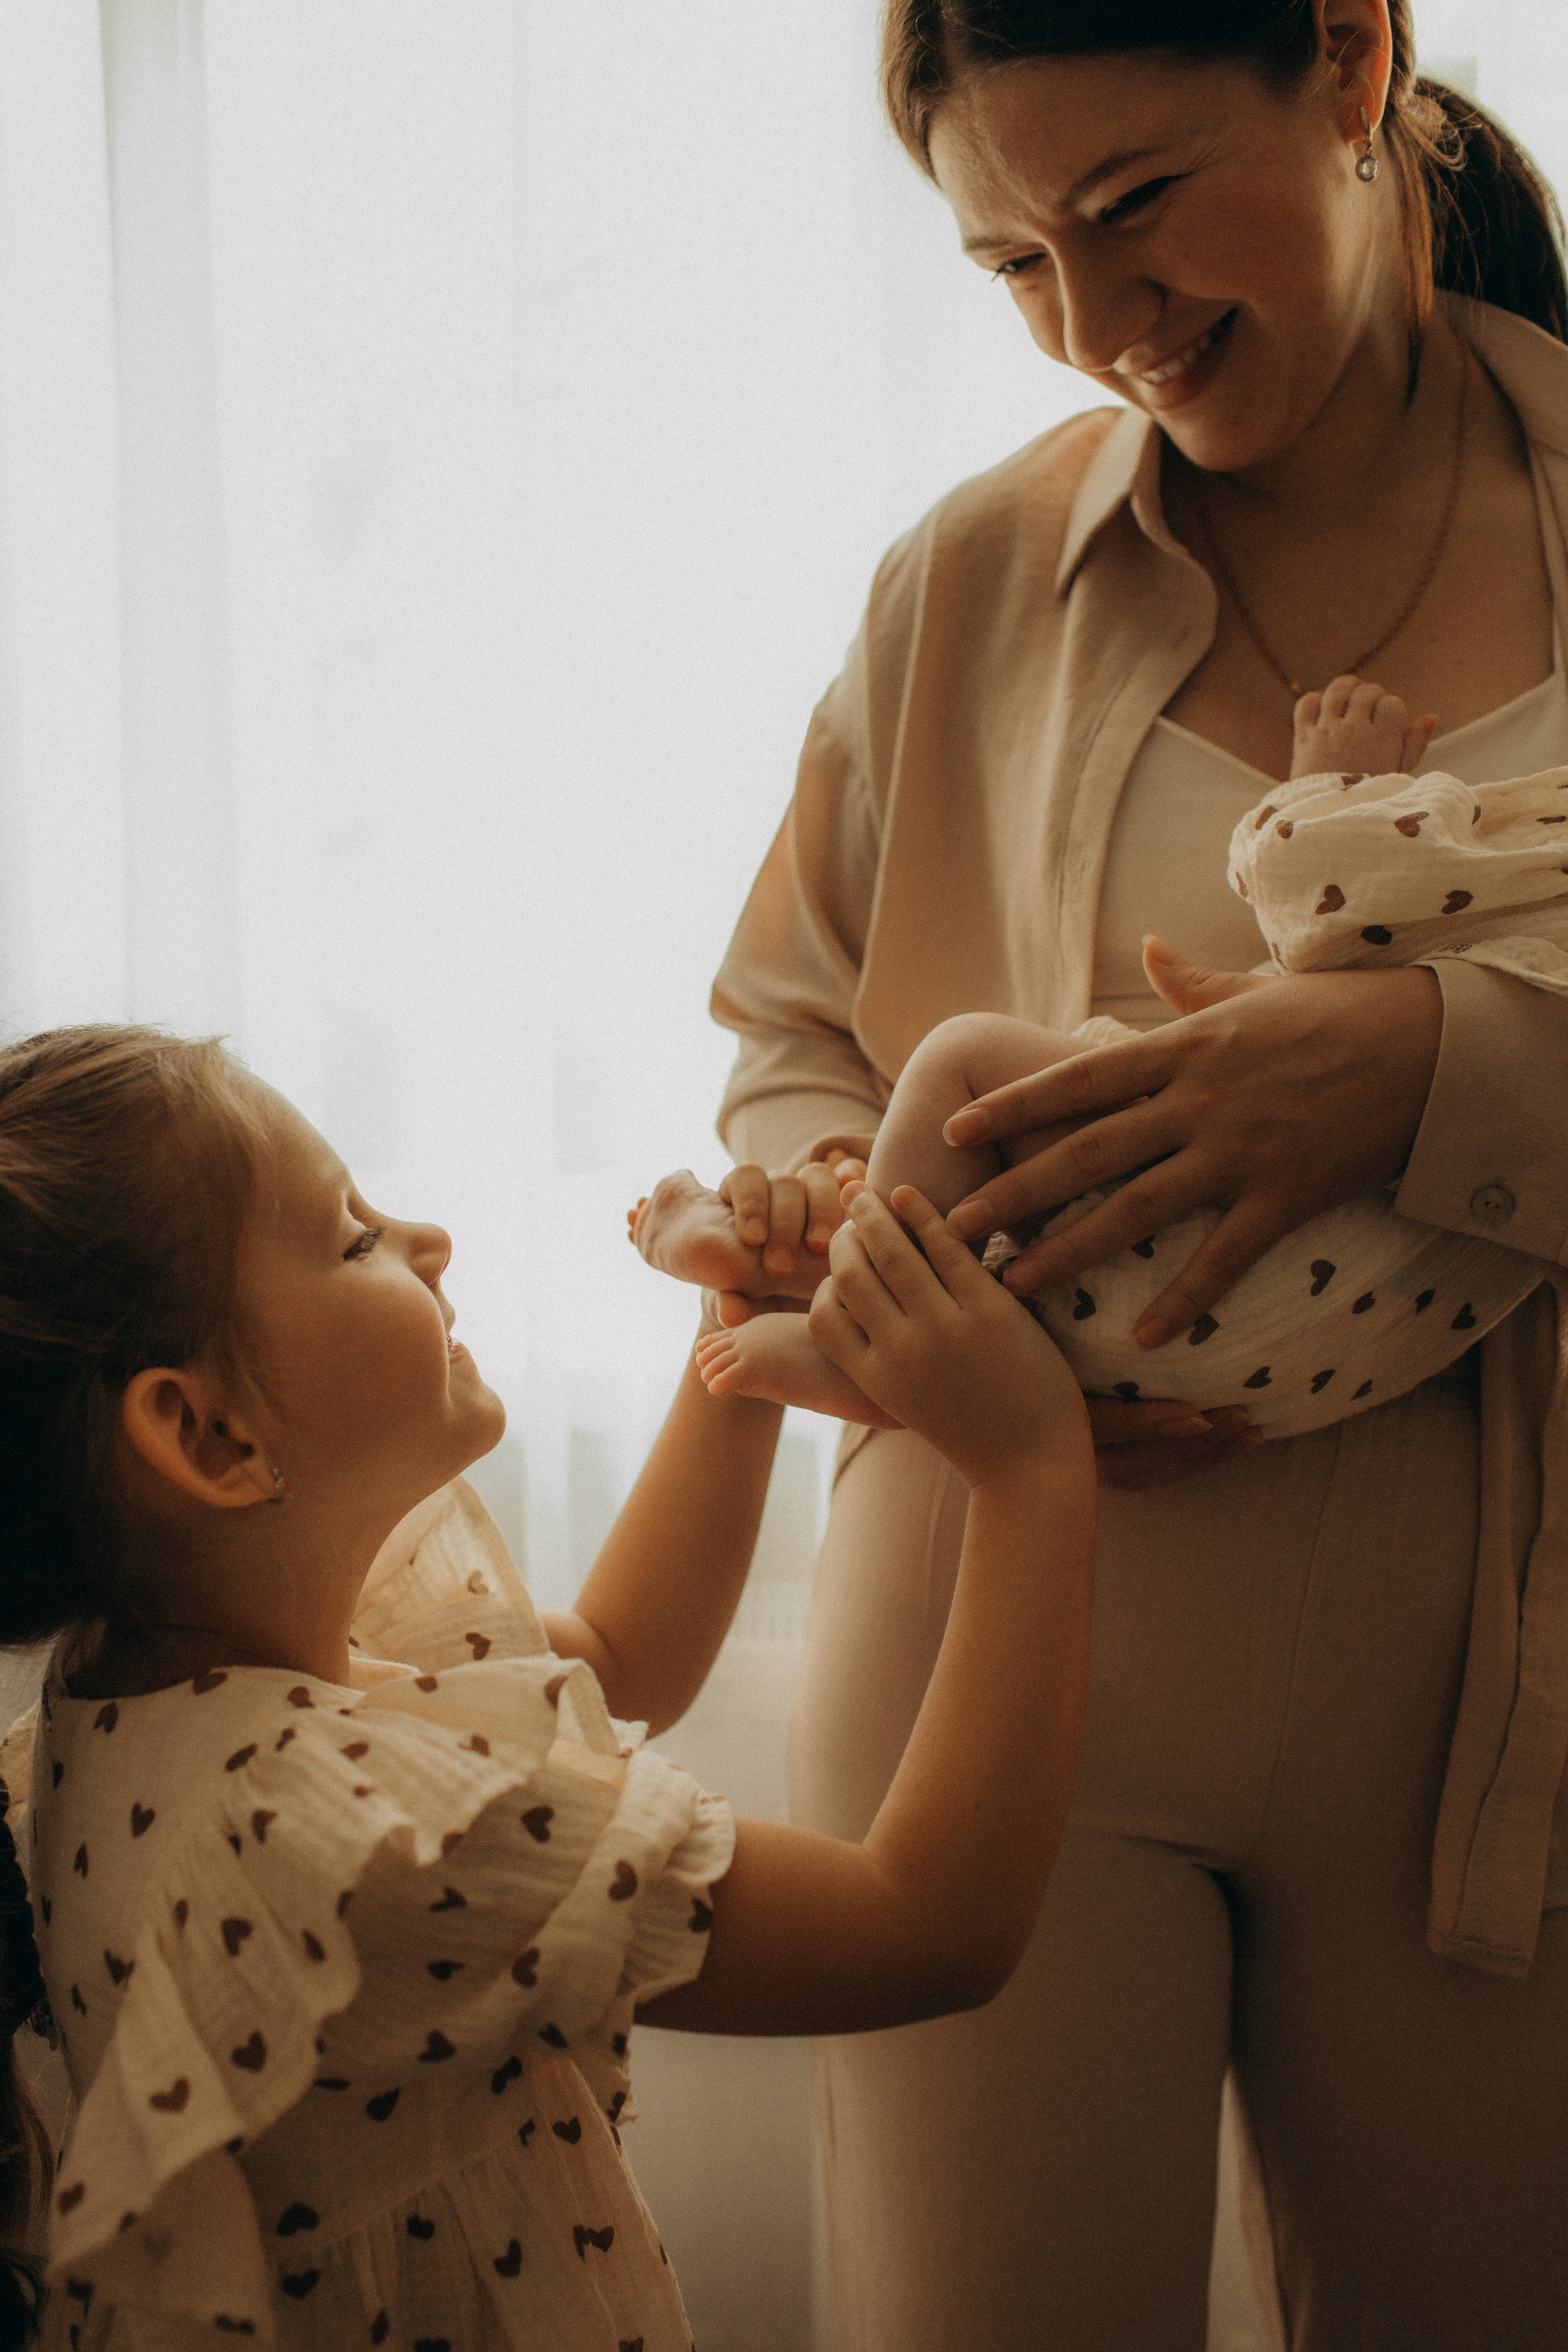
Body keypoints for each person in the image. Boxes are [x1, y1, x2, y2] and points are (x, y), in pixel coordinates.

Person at [650, 2, 1568, 2343]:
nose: (1091, 324)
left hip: (1511, 1708)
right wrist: (844, 1198)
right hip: (992, 1639)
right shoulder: (963, 582)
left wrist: (1425, 1071)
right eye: (1011, 265)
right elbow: (781, 1034)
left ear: (1351, 65)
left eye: (1137, 207)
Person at [0, 1026, 1093, 2348]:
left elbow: (623, 1659)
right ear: (211, 1435)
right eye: (352, 1238)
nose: (429, 1239)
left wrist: (738, 1326)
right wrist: (1030, 1468)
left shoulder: (169, 1684)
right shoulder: (327, 1834)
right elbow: (924, 1930)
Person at [685, 671, 1568, 1438]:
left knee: (965, 1062)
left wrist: (1340, 783)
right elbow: (788, 1026)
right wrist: (824, 1171)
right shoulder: (957, 571)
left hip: (1230, 1279)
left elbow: (1321, 883)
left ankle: (863, 1335)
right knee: (986, 1259)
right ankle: (824, 1262)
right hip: (1292, 1355)